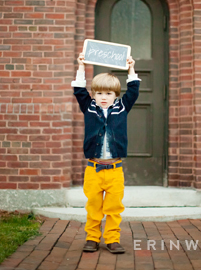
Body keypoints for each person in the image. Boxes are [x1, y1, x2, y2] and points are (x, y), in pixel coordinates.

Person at [72, 52, 140, 254]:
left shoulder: (122, 107)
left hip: (114, 170)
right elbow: (78, 90)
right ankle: (92, 238)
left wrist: (130, 68)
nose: (104, 97)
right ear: (93, 94)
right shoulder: (89, 108)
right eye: (99, 93)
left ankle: (112, 239)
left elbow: (134, 91)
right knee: (93, 207)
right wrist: (82, 66)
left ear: (116, 95)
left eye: (109, 94)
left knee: (114, 207)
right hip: (93, 170)